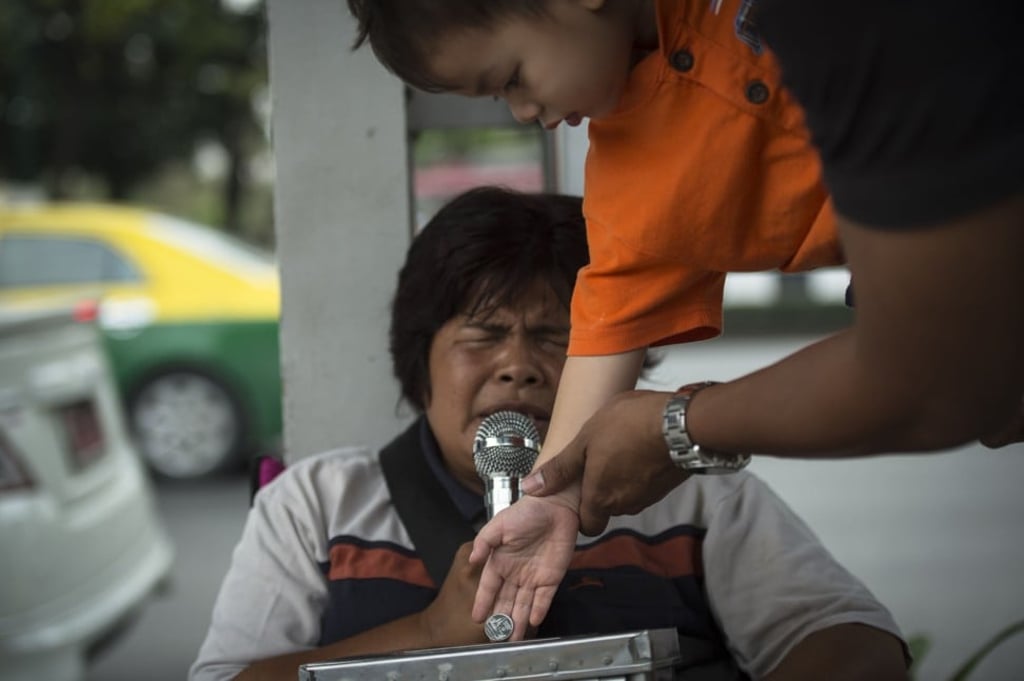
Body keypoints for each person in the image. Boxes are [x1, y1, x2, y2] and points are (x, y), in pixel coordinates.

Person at [344, 0, 1023, 633]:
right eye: (499, 98)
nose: (523, 112)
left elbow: (933, 380)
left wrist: (675, 427)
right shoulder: (628, 183)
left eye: (512, 78)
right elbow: (608, 327)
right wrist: (550, 497)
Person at [189, 187, 909, 681]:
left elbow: (854, 641)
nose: (520, 369)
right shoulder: (317, 504)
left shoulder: (694, 500)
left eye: (554, 337)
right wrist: (433, 635)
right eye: (484, 334)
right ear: (419, 358)